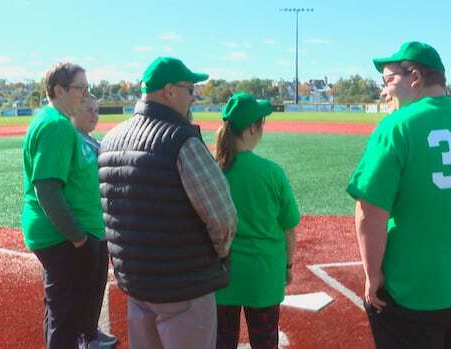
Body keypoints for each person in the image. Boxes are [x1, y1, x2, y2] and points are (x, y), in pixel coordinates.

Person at [346, 41, 451, 348]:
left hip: (413, 292)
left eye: (389, 80)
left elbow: (369, 213)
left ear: (415, 77)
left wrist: (373, 275)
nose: (385, 90)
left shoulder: (396, 127)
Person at [97, 56, 237, 349]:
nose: (193, 97)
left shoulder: (110, 140)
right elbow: (222, 217)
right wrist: (218, 256)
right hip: (184, 284)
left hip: (137, 282)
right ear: (170, 91)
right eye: (190, 89)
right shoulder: (181, 139)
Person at [21, 62, 106, 349]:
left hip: (57, 234)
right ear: (59, 90)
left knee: (60, 311)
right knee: (67, 317)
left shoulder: (49, 120)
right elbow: (46, 188)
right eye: (80, 89)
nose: (85, 95)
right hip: (61, 237)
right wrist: (78, 237)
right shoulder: (57, 125)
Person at [214, 92, 301, 349]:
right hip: (263, 275)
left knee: (222, 342)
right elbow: (289, 230)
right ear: (253, 128)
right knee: (265, 343)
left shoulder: (213, 169)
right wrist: (288, 266)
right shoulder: (272, 173)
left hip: (222, 276)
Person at [70, 95, 118, 349]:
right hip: (84, 228)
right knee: (83, 287)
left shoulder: (92, 140)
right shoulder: (70, 139)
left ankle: (90, 332)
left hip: (100, 226)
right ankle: (81, 336)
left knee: (97, 283)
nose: (94, 114)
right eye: (87, 108)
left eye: (96, 110)